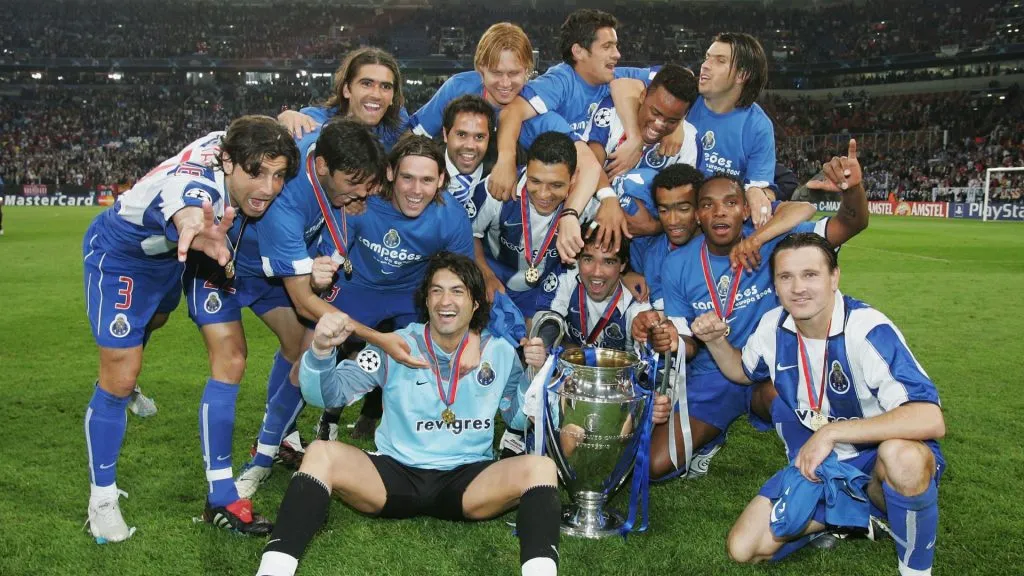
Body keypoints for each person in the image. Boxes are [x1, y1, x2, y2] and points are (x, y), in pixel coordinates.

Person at [254, 253, 561, 576]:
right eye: (437, 291)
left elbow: (516, 418)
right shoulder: (396, 345)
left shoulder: (497, 351)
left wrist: (534, 375)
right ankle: (273, 571)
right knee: (319, 453)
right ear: (425, 300)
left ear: (474, 303)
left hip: (467, 479)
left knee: (540, 468)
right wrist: (320, 350)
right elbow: (326, 394)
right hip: (394, 475)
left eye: (458, 291)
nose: (446, 301)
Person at [81, 115, 299, 543]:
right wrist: (193, 228)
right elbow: (186, 201)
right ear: (229, 162)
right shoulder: (199, 184)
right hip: (125, 256)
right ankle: (101, 498)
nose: (269, 188)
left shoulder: (242, 141)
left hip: (186, 255)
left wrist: (295, 118)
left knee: (193, 337)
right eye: (256, 174)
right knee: (120, 377)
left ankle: (219, 492)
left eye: (278, 176)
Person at [690, 233, 944, 575]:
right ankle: (851, 518)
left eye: (810, 274)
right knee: (744, 548)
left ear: (834, 277)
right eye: (786, 277)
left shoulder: (867, 330)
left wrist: (831, 433)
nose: (798, 288)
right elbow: (742, 371)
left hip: (875, 457)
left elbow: (930, 417)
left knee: (904, 458)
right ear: (775, 285)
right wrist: (715, 342)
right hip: (823, 465)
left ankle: (914, 567)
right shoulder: (772, 327)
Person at [641, 139, 869, 481]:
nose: (719, 212)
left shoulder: (774, 239)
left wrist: (853, 189)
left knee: (787, 401)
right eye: (708, 205)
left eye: (730, 203)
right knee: (655, 467)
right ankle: (712, 434)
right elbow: (686, 344)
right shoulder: (676, 265)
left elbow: (849, 224)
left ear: (745, 210)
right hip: (714, 375)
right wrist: (670, 339)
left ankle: (828, 473)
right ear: (699, 215)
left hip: (770, 369)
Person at [209, 118, 393, 501]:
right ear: (323, 167)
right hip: (244, 268)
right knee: (247, 355)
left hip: (290, 263)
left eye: (366, 185)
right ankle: (259, 456)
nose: (361, 195)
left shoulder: (321, 146)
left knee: (301, 351)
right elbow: (305, 304)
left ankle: (266, 450)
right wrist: (378, 339)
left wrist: (289, 114)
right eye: (353, 185)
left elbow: (311, 122)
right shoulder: (287, 207)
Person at [310, 135, 477, 444]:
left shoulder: (451, 217)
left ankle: (379, 415)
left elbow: (465, 280)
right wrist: (319, 276)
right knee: (330, 338)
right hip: (356, 284)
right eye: (407, 178)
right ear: (390, 173)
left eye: (427, 180)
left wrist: (474, 335)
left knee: (411, 354)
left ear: (441, 180)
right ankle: (328, 416)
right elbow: (331, 255)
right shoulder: (361, 201)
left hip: (408, 293)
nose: (416, 190)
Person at [487, 9, 670, 261]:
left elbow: (674, 81)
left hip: (593, 180)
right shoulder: (561, 81)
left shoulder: (613, 77)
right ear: (579, 51)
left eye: (616, 46)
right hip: (556, 190)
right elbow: (511, 112)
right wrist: (505, 160)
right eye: (607, 46)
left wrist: (673, 125)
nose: (617, 54)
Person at [470, 132, 591, 320]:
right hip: (495, 284)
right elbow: (467, 235)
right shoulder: (498, 188)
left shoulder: (586, 204)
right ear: (526, 169)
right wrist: (485, 274)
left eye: (556, 185)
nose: (543, 194)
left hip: (546, 294)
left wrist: (625, 278)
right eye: (535, 181)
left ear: (574, 177)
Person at [689, 32, 776, 225]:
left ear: (742, 75)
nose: (705, 65)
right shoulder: (683, 95)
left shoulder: (758, 126)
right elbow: (623, 81)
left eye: (720, 61)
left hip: (716, 222)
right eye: (707, 58)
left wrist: (757, 192)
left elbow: (761, 192)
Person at [279, 47, 409, 152]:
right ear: (347, 90)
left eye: (386, 86)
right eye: (366, 84)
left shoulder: (398, 124)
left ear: (393, 96)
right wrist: (284, 119)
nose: (376, 94)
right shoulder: (313, 121)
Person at [534, 228, 644, 350]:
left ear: (623, 265)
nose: (597, 272)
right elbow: (546, 321)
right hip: (567, 365)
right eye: (588, 259)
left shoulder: (637, 303)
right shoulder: (566, 275)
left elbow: (644, 360)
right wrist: (543, 346)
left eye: (608, 262)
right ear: (578, 260)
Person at [582, 63, 699, 174]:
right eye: (655, 112)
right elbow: (590, 166)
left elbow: (683, 190)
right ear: (643, 96)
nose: (660, 124)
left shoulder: (689, 139)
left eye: (672, 121)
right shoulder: (612, 111)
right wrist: (607, 194)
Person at [439, 95, 495, 215]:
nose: (470, 146)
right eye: (461, 134)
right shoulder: (425, 168)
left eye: (479, 137)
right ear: (445, 134)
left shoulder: (500, 172)